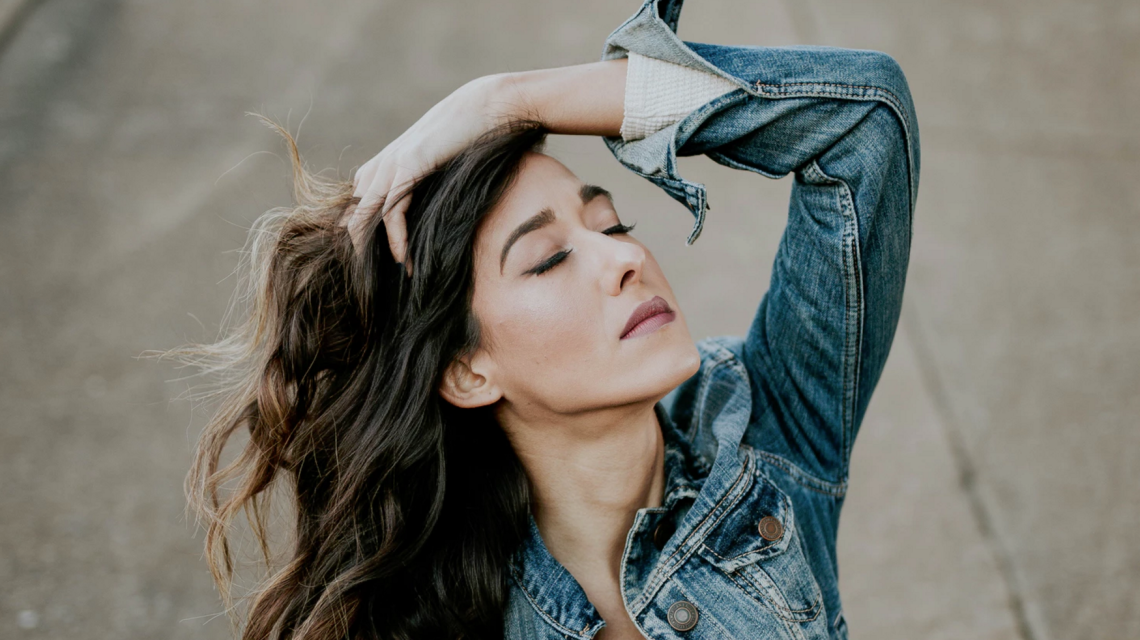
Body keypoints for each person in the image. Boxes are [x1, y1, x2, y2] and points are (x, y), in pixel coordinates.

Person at [167, 0, 919, 638]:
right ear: (466, 371)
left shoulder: (760, 439)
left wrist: (505, 100)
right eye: (549, 259)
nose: (625, 258)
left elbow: (864, 123)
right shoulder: (454, 619)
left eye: (612, 223)